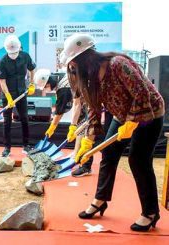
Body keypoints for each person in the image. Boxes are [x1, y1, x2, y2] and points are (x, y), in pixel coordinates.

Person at [61, 33, 165, 232]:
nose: (72, 68)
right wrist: (87, 142)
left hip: (148, 112)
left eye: (73, 64)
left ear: (83, 58)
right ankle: (100, 200)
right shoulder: (89, 77)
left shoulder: (117, 64)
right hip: (121, 114)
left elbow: (142, 93)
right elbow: (93, 109)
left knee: (138, 160)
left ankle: (150, 213)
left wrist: (133, 122)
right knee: (108, 154)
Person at [34, 69, 93, 177]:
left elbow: (60, 110)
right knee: (80, 125)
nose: (46, 90)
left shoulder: (64, 89)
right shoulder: (59, 78)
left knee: (86, 131)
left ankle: (86, 166)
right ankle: (76, 153)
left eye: (45, 87)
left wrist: (53, 126)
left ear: (48, 82)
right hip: (83, 100)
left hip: (90, 100)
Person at [0, 34, 36, 157]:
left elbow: (32, 69)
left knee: (24, 118)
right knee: (7, 121)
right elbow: (2, 81)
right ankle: (7, 148)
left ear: (19, 48)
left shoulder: (25, 56)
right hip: (8, 93)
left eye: (15, 53)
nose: (13, 56)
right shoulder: (2, 62)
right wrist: (8, 97)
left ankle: (26, 145)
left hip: (21, 92)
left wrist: (31, 83)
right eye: (11, 53)